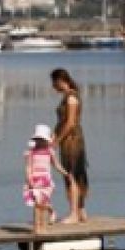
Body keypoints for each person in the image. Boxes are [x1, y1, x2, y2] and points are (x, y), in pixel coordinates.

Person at [50, 68, 89, 223]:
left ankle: (74, 213)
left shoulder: (71, 98)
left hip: (72, 140)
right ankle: (81, 211)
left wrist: (57, 140)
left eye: (54, 82)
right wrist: (54, 135)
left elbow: (70, 123)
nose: (53, 86)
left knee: (71, 174)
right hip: (69, 139)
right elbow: (62, 122)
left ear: (60, 81)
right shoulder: (68, 97)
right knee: (76, 174)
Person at [22, 124, 70, 234]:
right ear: (35, 140)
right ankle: (37, 227)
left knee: (43, 205)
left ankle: (43, 227)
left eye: (42, 140)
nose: (40, 142)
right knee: (37, 205)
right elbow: (28, 167)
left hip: (46, 181)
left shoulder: (50, 152)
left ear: (47, 141)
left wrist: (65, 173)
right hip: (34, 181)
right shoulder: (31, 153)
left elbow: (56, 165)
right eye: (38, 140)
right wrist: (29, 179)